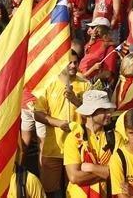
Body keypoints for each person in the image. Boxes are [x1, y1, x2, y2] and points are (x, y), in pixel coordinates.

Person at [31, 55, 90, 194]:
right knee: (51, 191)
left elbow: (92, 115)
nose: (73, 65)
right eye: (69, 62)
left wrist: (76, 101)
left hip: (78, 148)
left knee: (75, 190)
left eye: (75, 62)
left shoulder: (85, 84)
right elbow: (38, 114)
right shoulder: (48, 84)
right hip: (53, 148)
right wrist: (58, 123)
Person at [63, 90, 114, 198]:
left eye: (108, 110)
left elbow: (121, 171)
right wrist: (105, 173)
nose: (109, 114)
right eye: (104, 110)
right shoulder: (73, 138)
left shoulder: (115, 136)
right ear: (90, 113)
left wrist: (91, 167)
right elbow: (74, 177)